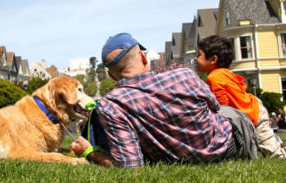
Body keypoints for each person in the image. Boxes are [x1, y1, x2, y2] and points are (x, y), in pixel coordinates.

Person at [71, 33, 258, 167]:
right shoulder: (185, 76)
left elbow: (130, 165)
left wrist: (91, 152)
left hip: (179, 158)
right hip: (229, 147)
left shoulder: (111, 106)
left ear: (111, 76)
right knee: (241, 112)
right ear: (144, 58)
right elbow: (215, 107)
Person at [195, 35, 286, 159]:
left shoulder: (215, 77)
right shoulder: (223, 74)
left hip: (254, 114)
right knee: (266, 142)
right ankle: (279, 144)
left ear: (213, 59)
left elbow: (222, 108)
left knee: (274, 154)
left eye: (199, 55)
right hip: (251, 107)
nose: (195, 58)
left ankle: (280, 151)